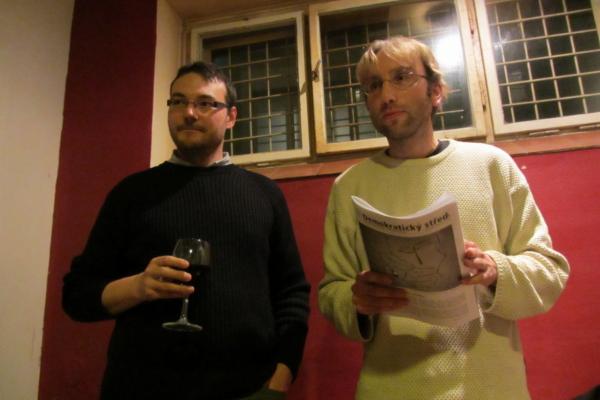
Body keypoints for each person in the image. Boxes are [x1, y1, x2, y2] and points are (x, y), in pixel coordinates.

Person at [318, 36, 569, 399]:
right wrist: (357, 301)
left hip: (491, 389)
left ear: (435, 91)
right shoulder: (349, 187)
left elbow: (550, 271)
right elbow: (331, 292)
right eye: (373, 85)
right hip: (390, 389)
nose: (386, 95)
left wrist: (495, 271)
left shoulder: (491, 165)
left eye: (401, 77)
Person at [63, 61, 310, 400]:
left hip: (248, 389)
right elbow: (77, 296)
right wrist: (138, 286)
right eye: (178, 101)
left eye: (205, 103)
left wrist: (283, 374)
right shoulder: (131, 194)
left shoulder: (265, 194)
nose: (189, 113)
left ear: (231, 116)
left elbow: (292, 292)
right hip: (140, 390)